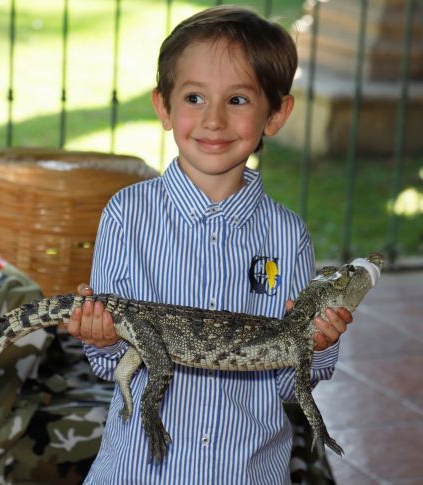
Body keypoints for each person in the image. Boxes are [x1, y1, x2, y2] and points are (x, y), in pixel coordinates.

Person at [67, 5, 353, 484]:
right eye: (195, 97)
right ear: (164, 106)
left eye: (238, 100)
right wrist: (104, 336)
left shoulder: (288, 235)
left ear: (276, 114)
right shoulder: (126, 215)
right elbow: (107, 364)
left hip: (248, 471)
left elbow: (287, 384)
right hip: (139, 472)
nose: (214, 119)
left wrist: (318, 343)